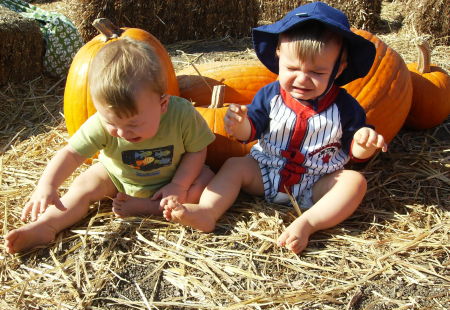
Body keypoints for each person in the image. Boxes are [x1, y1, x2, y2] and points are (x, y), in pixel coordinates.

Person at [163, 2, 387, 254]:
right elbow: (252, 131)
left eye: (317, 72)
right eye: (292, 68)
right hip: (266, 172)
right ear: (278, 55)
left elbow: (355, 152)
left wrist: (363, 143)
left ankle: (308, 222)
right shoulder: (270, 95)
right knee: (234, 166)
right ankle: (208, 211)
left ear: (338, 69)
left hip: (317, 183)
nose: (302, 79)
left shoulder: (345, 106)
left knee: (354, 182)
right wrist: (239, 126)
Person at [5, 37, 215, 254]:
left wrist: (180, 184)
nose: (122, 133)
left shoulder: (182, 114)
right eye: (112, 123)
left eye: (133, 124)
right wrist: (47, 185)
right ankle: (47, 225)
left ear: (162, 105)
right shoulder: (99, 123)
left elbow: (197, 149)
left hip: (173, 180)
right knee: (83, 186)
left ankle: (148, 207)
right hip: (118, 177)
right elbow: (71, 154)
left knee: (205, 180)